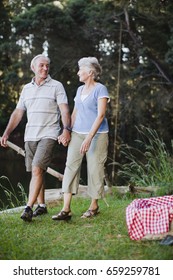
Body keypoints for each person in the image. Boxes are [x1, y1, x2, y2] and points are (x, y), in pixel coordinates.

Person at [0, 54, 71, 222]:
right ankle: (42, 205)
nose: (45, 68)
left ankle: (28, 208)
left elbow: (64, 110)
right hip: (30, 135)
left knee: (37, 169)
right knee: (37, 171)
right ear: (33, 68)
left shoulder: (56, 86)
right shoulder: (26, 89)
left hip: (49, 133)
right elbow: (18, 113)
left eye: (47, 65)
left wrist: (66, 129)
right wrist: (7, 132)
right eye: (41, 65)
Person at [52, 56, 109, 221]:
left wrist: (89, 138)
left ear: (90, 72)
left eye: (80, 70)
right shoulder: (79, 90)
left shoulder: (101, 89)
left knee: (95, 168)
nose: (78, 73)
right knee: (70, 166)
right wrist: (67, 131)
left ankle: (94, 206)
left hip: (97, 135)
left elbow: (101, 115)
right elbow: (75, 112)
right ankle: (66, 209)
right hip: (77, 133)